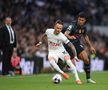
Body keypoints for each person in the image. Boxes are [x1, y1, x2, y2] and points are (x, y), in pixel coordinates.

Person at [35, 20, 82, 84]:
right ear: (54, 26)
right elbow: (44, 35)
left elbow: (71, 45)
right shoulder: (48, 31)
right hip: (52, 52)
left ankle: (77, 79)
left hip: (61, 51)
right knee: (51, 61)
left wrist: (75, 56)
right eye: (57, 28)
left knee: (69, 62)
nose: (58, 30)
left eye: (60, 28)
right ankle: (63, 73)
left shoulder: (62, 36)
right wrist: (40, 42)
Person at [64, 12, 96, 83]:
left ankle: (88, 79)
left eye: (82, 20)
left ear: (85, 21)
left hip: (77, 44)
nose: (80, 21)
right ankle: (68, 67)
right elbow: (65, 33)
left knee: (86, 59)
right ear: (77, 19)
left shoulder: (84, 27)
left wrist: (91, 46)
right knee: (73, 66)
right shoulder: (72, 25)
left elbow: (85, 36)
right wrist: (69, 37)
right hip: (68, 45)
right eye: (79, 19)